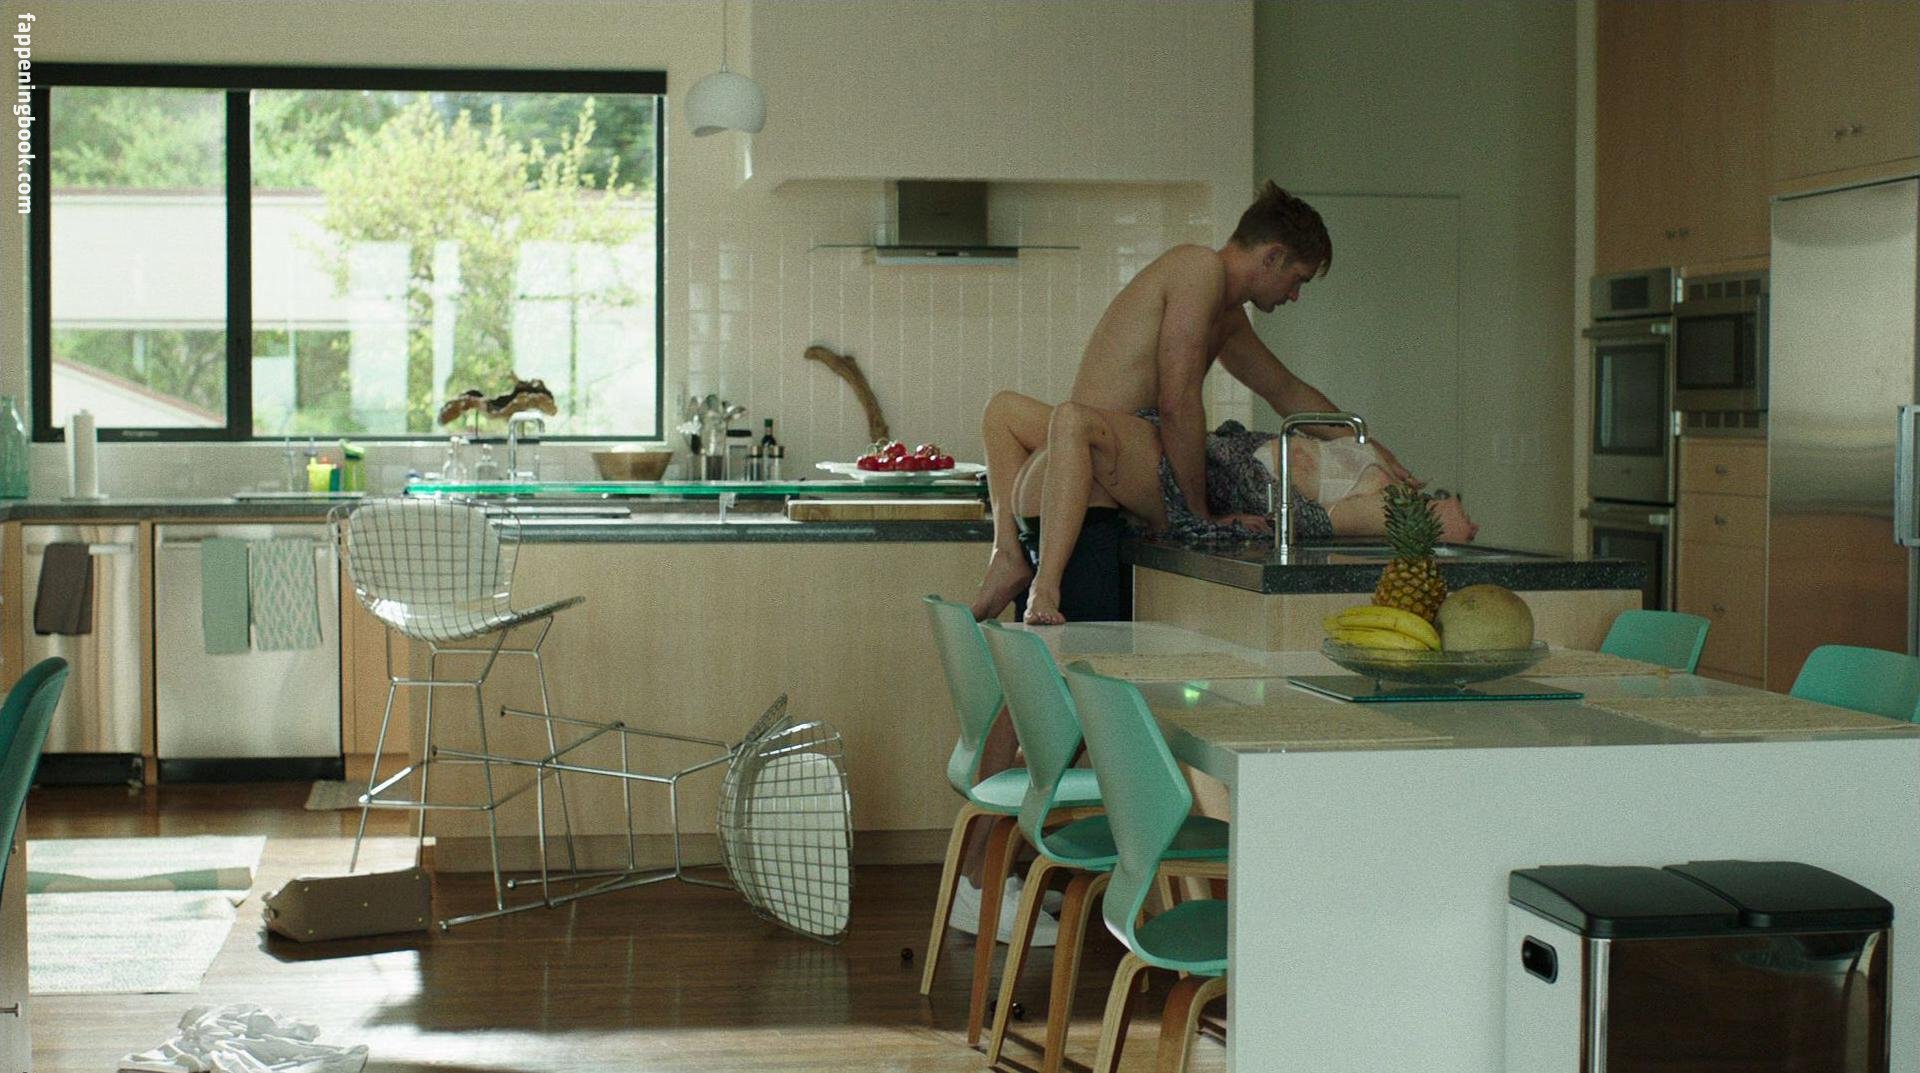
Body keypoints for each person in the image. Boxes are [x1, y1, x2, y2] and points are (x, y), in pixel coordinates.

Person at [972, 182, 1419, 624]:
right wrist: (1200, 514)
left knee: (1007, 411)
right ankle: (1021, 566)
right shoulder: (1198, 268)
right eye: (1298, 279)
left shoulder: (1226, 316)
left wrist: (1367, 447)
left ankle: (1010, 557)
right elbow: (1178, 401)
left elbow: (1285, 390)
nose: (1294, 295)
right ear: (1273, 257)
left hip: (1082, 472)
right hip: (1092, 467)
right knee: (1062, 419)